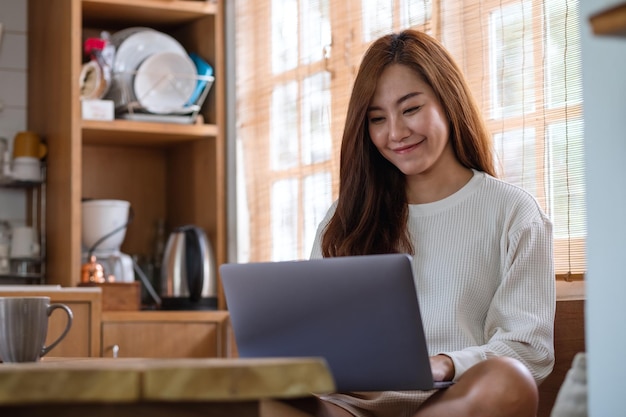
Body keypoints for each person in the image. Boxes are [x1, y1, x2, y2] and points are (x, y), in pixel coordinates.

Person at [306, 29, 556, 417]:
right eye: (376, 119)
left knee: (509, 382)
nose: (395, 133)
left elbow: (529, 350)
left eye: (410, 109)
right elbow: (315, 335)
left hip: (449, 404)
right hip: (347, 409)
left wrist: (445, 363)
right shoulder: (345, 218)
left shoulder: (512, 211)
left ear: (448, 100)